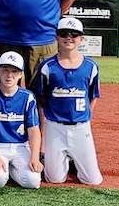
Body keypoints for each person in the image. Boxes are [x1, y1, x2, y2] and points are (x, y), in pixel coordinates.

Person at [35, 17, 103, 185]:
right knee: (54, 179)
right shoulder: (47, 66)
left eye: (74, 34)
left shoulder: (91, 66)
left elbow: (93, 95)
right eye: (64, 33)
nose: (69, 37)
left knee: (92, 180)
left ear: (81, 39)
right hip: (55, 127)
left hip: (81, 126)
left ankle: (72, 159)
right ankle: (65, 159)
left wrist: (85, 115)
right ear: (56, 37)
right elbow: (42, 97)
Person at [0, 51, 43, 189]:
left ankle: (12, 171)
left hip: (21, 146)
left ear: (21, 74)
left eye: (14, 71)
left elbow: (34, 131)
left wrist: (35, 157)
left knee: (33, 181)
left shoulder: (27, 97)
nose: (9, 75)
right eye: (5, 70)